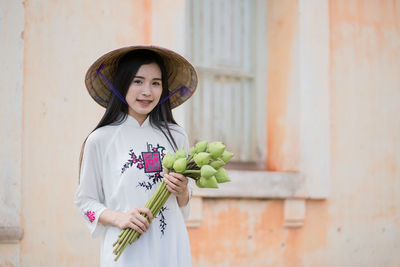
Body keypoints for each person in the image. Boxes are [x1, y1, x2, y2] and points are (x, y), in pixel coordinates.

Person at [74, 45, 197, 266]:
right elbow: (85, 203)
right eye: (137, 81)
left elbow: (185, 203)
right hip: (125, 253)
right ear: (122, 84)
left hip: (170, 248)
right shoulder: (100, 140)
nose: (147, 91)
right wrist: (120, 218)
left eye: (155, 83)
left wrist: (182, 191)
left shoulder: (176, 136)